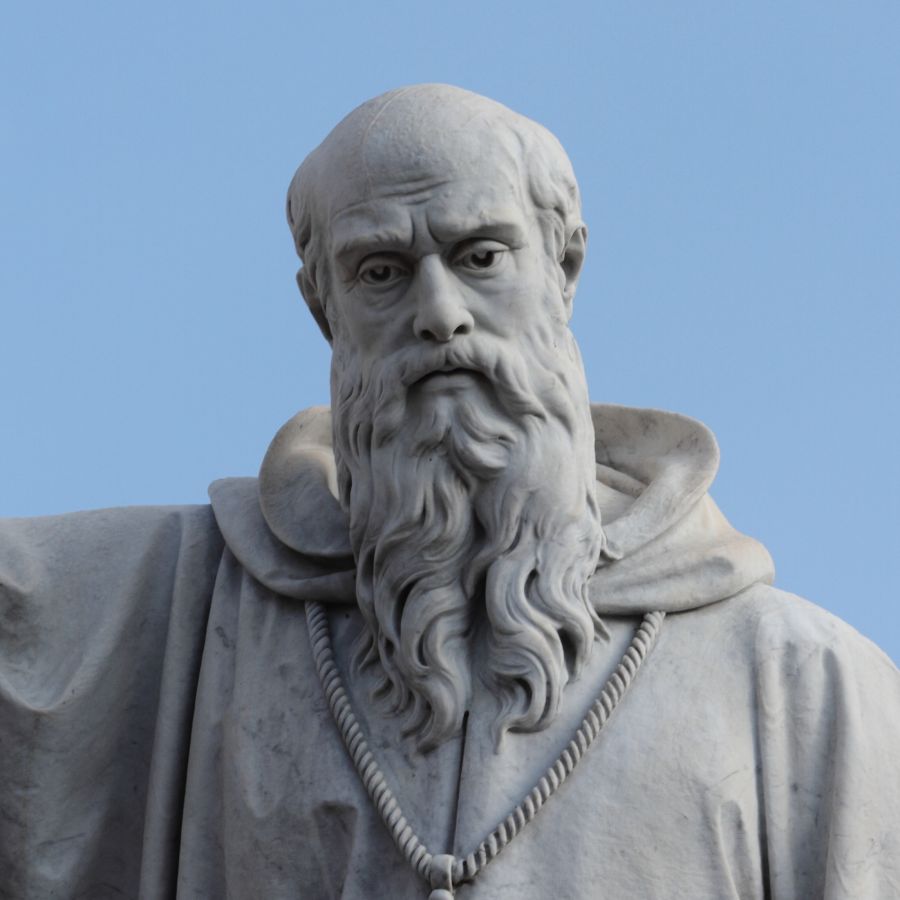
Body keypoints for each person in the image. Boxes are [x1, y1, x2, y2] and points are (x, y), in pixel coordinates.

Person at [2, 84, 898, 900]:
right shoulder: (190, 610)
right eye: (380, 272)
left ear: (564, 268)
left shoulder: (804, 688)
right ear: (322, 305)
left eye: (480, 256)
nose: (438, 313)